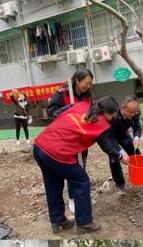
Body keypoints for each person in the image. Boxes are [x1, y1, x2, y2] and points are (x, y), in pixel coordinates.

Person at [33, 96, 129, 234]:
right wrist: (121, 157)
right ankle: (84, 222)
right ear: (107, 113)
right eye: (113, 116)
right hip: (57, 151)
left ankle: (57, 221)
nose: (113, 118)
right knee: (81, 181)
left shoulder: (82, 106)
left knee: (52, 183)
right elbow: (107, 146)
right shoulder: (99, 123)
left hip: (40, 145)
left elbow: (58, 113)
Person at [47, 68, 95, 214]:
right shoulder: (61, 94)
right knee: (70, 170)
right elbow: (52, 115)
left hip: (81, 139)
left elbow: (92, 111)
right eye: (86, 83)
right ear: (77, 81)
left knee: (81, 168)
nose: (88, 86)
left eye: (90, 84)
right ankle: (72, 199)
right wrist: (70, 109)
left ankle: (80, 196)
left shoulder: (88, 96)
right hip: (65, 140)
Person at [107, 96, 142, 192]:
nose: (133, 114)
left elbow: (137, 127)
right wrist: (119, 151)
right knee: (114, 158)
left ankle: (137, 176)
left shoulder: (135, 113)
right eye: (130, 112)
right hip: (111, 137)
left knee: (136, 153)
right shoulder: (113, 115)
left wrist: (136, 137)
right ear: (122, 108)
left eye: (135, 111)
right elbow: (108, 136)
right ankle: (120, 184)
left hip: (124, 134)